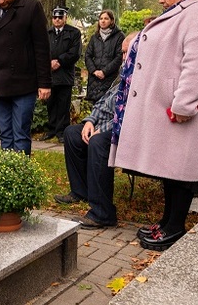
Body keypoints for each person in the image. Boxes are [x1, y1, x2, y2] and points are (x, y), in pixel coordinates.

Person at [108, 0, 198, 251]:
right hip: (167, 106)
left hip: (180, 108)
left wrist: (183, 104)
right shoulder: (184, 11)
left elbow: (197, 64)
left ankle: (174, 228)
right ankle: (166, 221)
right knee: (169, 169)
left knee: (179, 171)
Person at [54, 32, 137, 228]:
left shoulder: (141, 75)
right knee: (72, 133)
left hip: (127, 130)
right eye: (123, 53)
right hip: (108, 125)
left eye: (128, 53)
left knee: (98, 142)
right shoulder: (123, 74)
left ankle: (103, 213)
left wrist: (103, 129)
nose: (124, 57)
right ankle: (81, 191)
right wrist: (91, 121)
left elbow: (129, 113)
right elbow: (103, 101)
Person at [0, 0, 51, 154]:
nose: (1, 1)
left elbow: (42, 48)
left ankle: (22, 175)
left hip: (24, 83)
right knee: (5, 134)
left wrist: (44, 83)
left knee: (20, 133)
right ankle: (9, 177)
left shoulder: (31, 7)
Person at [45, 5, 82, 141]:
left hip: (64, 74)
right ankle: (51, 129)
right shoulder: (47, 33)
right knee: (51, 103)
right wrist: (48, 63)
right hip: (49, 74)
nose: (57, 20)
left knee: (63, 104)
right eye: (55, 17)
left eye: (60, 17)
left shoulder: (74, 33)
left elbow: (75, 52)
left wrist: (59, 61)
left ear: (65, 18)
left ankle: (62, 131)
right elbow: (41, 50)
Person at [84, 9, 125, 105]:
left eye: (106, 18)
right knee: (94, 111)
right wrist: (94, 71)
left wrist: (104, 72)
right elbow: (88, 55)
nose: (103, 21)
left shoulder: (119, 36)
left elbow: (119, 57)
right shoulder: (95, 37)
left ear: (111, 20)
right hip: (94, 79)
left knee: (108, 107)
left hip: (109, 78)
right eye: (101, 18)